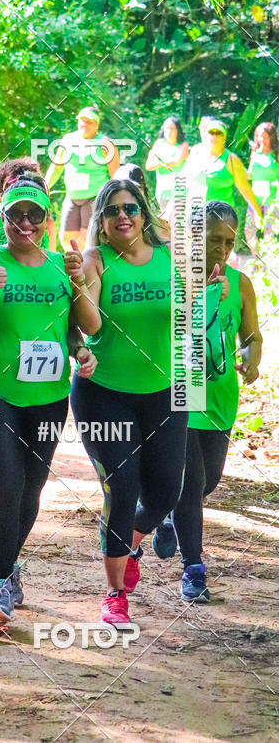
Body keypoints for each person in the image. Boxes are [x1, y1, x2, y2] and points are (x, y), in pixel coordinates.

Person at [0, 175, 96, 622]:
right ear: (4, 218)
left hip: (50, 395)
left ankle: (10, 566)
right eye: (16, 215)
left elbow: (80, 327)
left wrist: (79, 351)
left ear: (47, 220)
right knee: (6, 485)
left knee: (31, 489)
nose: (26, 223)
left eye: (35, 215)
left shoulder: (61, 266)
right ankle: (0, 582)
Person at [69, 178, 190, 626]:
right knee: (122, 487)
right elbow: (93, 325)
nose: (123, 216)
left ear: (145, 214)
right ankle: (115, 592)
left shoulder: (170, 258)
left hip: (165, 392)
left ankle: (130, 543)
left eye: (132, 208)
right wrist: (79, 284)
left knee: (165, 491)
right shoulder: (96, 261)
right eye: (113, 210)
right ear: (100, 220)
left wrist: (205, 287)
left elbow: (186, 318)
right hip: (105, 394)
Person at [151, 201, 262, 602]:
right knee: (191, 479)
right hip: (179, 391)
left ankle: (165, 514)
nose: (222, 249)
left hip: (219, 395)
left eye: (229, 242)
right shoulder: (171, 277)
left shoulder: (241, 283)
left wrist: (252, 357)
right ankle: (194, 568)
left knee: (207, 481)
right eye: (213, 240)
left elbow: (251, 335)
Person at [45, 105, 120, 251]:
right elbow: (57, 166)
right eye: (82, 121)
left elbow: (115, 176)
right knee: (66, 239)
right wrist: (44, 186)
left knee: (87, 240)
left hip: (94, 197)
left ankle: (87, 271)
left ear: (96, 124)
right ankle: (75, 269)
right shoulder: (68, 140)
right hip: (72, 197)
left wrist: (116, 200)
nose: (84, 125)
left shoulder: (105, 144)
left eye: (89, 122)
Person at [181, 119, 263, 225]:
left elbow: (244, 188)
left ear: (224, 137)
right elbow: (184, 178)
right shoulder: (196, 152)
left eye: (218, 133)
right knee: (194, 241)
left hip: (221, 216)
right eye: (211, 133)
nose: (214, 137)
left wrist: (257, 212)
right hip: (196, 213)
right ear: (206, 135)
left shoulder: (231, 159)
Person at [245, 121, 279, 246]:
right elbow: (249, 175)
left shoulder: (276, 154)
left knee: (269, 234)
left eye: (266, 137)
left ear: (272, 137)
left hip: (272, 201)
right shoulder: (254, 153)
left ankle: (269, 263)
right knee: (249, 231)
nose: (262, 140)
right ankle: (258, 258)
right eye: (259, 136)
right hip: (255, 200)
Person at [145, 116, 189, 210]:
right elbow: (149, 166)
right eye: (167, 128)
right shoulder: (158, 144)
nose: (169, 131)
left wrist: (161, 160)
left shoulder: (183, 145)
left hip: (180, 193)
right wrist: (161, 163)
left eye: (172, 128)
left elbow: (176, 162)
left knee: (179, 222)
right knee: (165, 223)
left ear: (178, 130)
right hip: (163, 193)